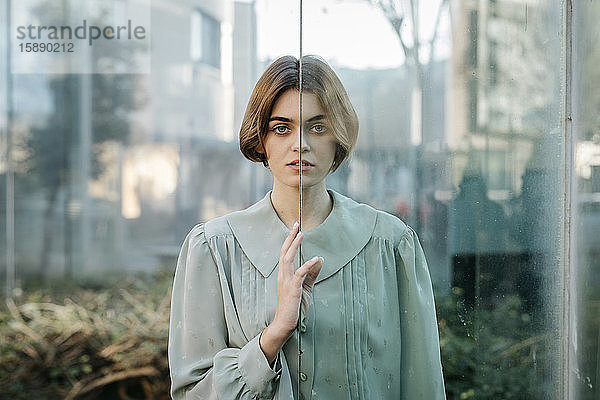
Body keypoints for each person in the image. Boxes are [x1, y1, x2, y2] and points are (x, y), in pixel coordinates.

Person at [168, 55, 446, 399]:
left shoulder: (391, 244)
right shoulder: (212, 248)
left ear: (338, 138)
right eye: (281, 128)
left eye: (318, 127)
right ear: (261, 140)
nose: (300, 143)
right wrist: (275, 334)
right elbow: (192, 393)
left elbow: (422, 385)